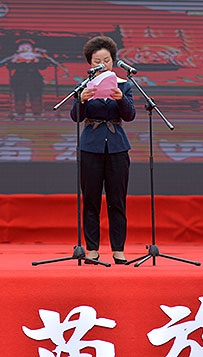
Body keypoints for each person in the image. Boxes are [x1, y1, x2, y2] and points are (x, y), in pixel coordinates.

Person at [70, 35, 136, 264]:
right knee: (91, 200)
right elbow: (76, 117)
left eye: (106, 60)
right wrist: (81, 100)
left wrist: (121, 99)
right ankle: (92, 250)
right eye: (97, 61)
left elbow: (130, 116)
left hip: (117, 147)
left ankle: (118, 250)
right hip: (91, 147)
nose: (102, 64)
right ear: (90, 63)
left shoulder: (124, 85)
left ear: (113, 61)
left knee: (117, 200)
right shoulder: (83, 86)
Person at [0, 39, 49, 120]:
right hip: (19, 80)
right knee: (19, 97)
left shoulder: (37, 56)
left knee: (36, 97)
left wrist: (37, 61)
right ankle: (20, 114)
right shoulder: (15, 57)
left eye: (27, 47)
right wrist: (14, 61)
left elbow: (43, 66)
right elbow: (9, 67)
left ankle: (37, 114)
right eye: (23, 47)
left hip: (34, 79)